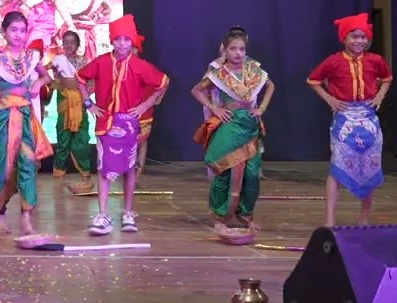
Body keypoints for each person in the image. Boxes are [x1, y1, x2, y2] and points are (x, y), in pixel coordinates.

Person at [77, 14, 169, 235]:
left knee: (129, 168)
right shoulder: (101, 62)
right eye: (118, 39)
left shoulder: (139, 65)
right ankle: (103, 214)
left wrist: (145, 105)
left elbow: (163, 82)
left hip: (129, 124)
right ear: (112, 40)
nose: (122, 44)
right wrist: (88, 103)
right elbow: (80, 77)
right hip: (106, 122)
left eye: (126, 39)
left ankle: (128, 212)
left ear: (132, 42)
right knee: (104, 168)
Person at [0, 12, 54, 235]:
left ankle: (26, 216)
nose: (18, 35)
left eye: (22, 30)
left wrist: (38, 83)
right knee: (4, 166)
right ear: (4, 32)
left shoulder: (32, 58)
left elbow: (47, 77)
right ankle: (0, 213)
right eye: (13, 30)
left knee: (28, 163)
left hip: (25, 116)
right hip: (3, 117)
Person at [307, 12, 393, 227]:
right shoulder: (334, 61)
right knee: (337, 168)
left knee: (371, 169)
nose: (359, 41)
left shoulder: (375, 60)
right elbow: (313, 80)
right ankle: (329, 221)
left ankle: (364, 218)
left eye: (363, 37)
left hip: (369, 121)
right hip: (344, 120)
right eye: (354, 36)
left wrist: (379, 97)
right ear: (344, 38)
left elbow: (387, 78)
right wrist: (330, 99)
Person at [191, 28, 274, 233]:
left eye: (242, 49)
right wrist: (214, 108)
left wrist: (261, 109)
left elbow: (270, 86)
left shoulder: (253, 71)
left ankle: (245, 215)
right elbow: (196, 90)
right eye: (233, 49)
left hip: (250, 126)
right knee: (224, 171)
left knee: (252, 174)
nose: (238, 53)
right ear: (225, 50)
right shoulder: (218, 74)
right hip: (230, 125)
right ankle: (220, 216)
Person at [49, 31, 95, 192]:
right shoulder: (57, 61)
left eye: (72, 42)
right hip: (64, 103)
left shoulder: (85, 62)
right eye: (65, 42)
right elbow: (52, 80)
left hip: (80, 103)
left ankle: (85, 175)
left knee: (82, 138)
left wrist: (84, 93)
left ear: (78, 45)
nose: (68, 45)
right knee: (63, 139)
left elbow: (91, 83)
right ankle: (58, 175)